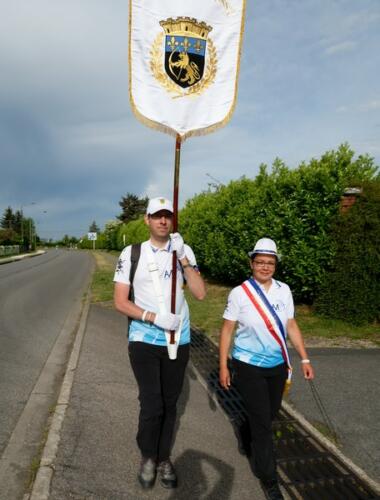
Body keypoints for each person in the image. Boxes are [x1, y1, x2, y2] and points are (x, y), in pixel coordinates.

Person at [113, 196, 206, 490]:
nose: (163, 221)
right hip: (144, 337)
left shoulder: (183, 249)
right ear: (147, 220)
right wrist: (153, 317)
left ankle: (164, 456)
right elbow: (119, 302)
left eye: (168, 215)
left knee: (170, 403)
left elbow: (201, 293)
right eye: (157, 216)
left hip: (179, 338)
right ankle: (148, 456)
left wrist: (183, 259)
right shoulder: (132, 253)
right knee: (152, 402)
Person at [219, 237, 314, 500]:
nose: (264, 267)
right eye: (259, 262)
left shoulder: (284, 290)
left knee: (269, 414)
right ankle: (270, 480)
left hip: (277, 365)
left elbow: (291, 325)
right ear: (251, 263)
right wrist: (223, 365)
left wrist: (304, 359)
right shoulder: (239, 293)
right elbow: (227, 330)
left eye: (269, 262)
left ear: (276, 264)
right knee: (263, 426)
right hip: (248, 365)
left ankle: (244, 429)